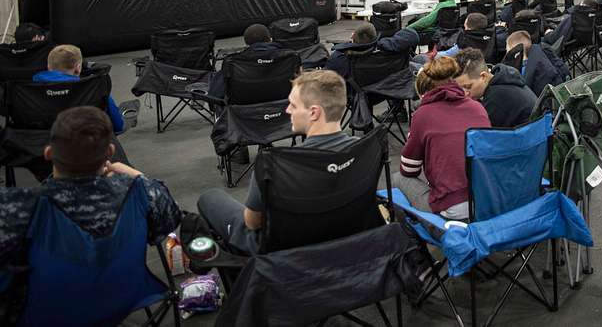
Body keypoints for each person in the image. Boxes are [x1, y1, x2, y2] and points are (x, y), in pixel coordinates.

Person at [0, 107, 180, 297]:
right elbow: (170, 218)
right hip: (123, 296)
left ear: (48, 153)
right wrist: (138, 178)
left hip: (49, 306)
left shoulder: (15, 209)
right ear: (110, 151)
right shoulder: (140, 195)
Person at [197, 70, 357, 255]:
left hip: (285, 249)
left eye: (293, 105)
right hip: (348, 235)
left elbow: (252, 222)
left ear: (314, 112)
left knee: (210, 198)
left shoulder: (275, 164)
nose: (287, 110)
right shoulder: (364, 148)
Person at [399, 57, 490, 219]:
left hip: (453, 208)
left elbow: (408, 169)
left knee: (397, 179)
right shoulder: (478, 107)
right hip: (488, 198)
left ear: (423, 94)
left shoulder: (422, 115)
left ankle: (414, 237)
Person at [33, 45, 125, 134]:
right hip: (87, 140)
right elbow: (118, 126)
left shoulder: (33, 87)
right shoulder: (92, 87)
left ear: (49, 66)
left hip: (43, 141)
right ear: (78, 68)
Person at [454, 48, 536, 128]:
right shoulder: (502, 76)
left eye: (468, 87)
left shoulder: (496, 99)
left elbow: (482, 134)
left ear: (483, 76)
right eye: (460, 88)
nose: (465, 93)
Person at [208, 24, 283, 98]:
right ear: (270, 39)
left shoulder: (232, 63)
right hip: (284, 103)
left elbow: (214, 94)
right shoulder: (288, 56)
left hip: (243, 107)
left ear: (247, 43)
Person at [502, 30, 568, 97]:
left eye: (508, 51)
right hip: (559, 91)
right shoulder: (541, 52)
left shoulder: (525, 72)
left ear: (516, 53)